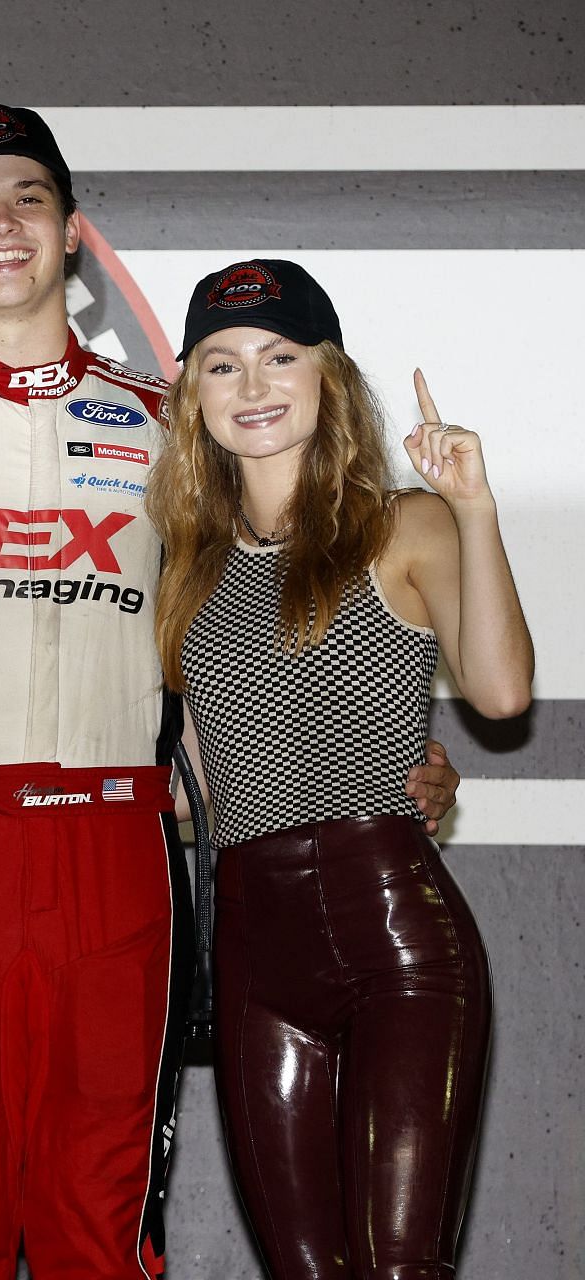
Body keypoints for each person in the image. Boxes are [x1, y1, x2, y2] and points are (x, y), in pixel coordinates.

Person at [0, 107, 462, 1279]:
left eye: (29, 196)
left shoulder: (175, 426)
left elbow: (292, 600)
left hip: (123, 849)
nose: (2, 222)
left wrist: (395, 748)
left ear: (75, 230)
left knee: (107, 1239)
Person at [148, 259, 530, 1279]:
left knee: (400, 1268)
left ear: (330, 377)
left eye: (281, 356)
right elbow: (199, 784)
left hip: (398, 937)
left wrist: (477, 506)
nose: (254, 384)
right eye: (222, 365)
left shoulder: (406, 524)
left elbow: (499, 694)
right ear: (192, 396)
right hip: (253, 948)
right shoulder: (180, 563)